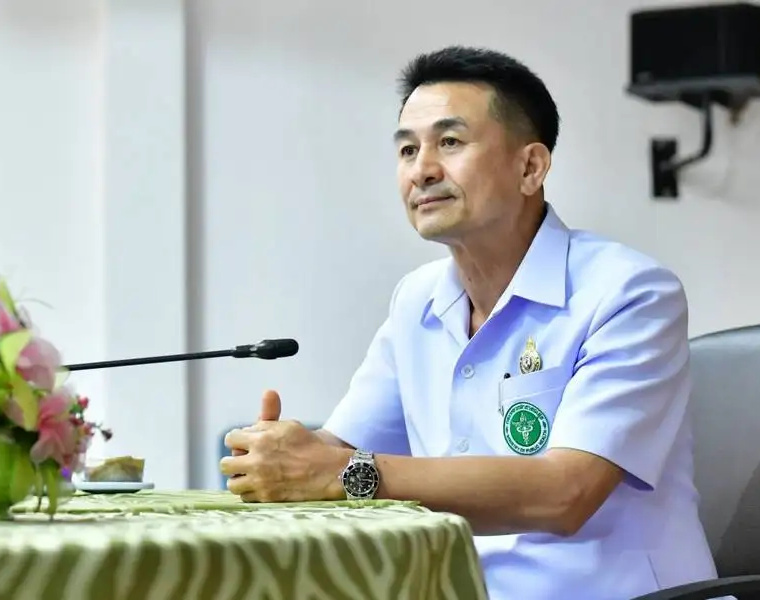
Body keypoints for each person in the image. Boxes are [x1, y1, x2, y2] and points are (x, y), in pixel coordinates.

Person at [220, 45, 719, 600]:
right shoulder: (416, 301)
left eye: (450, 142)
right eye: (408, 150)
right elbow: (340, 447)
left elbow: (566, 492)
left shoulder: (628, 292)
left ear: (530, 167)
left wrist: (339, 473)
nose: (422, 170)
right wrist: (279, 454)